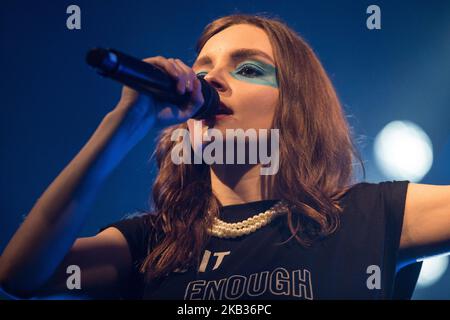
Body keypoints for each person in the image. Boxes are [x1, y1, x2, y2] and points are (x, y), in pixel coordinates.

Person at [0, 14, 449, 300]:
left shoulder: (370, 216)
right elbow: (21, 273)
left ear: (297, 104)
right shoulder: (155, 243)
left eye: (247, 68)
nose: (211, 79)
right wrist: (125, 121)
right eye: (201, 70)